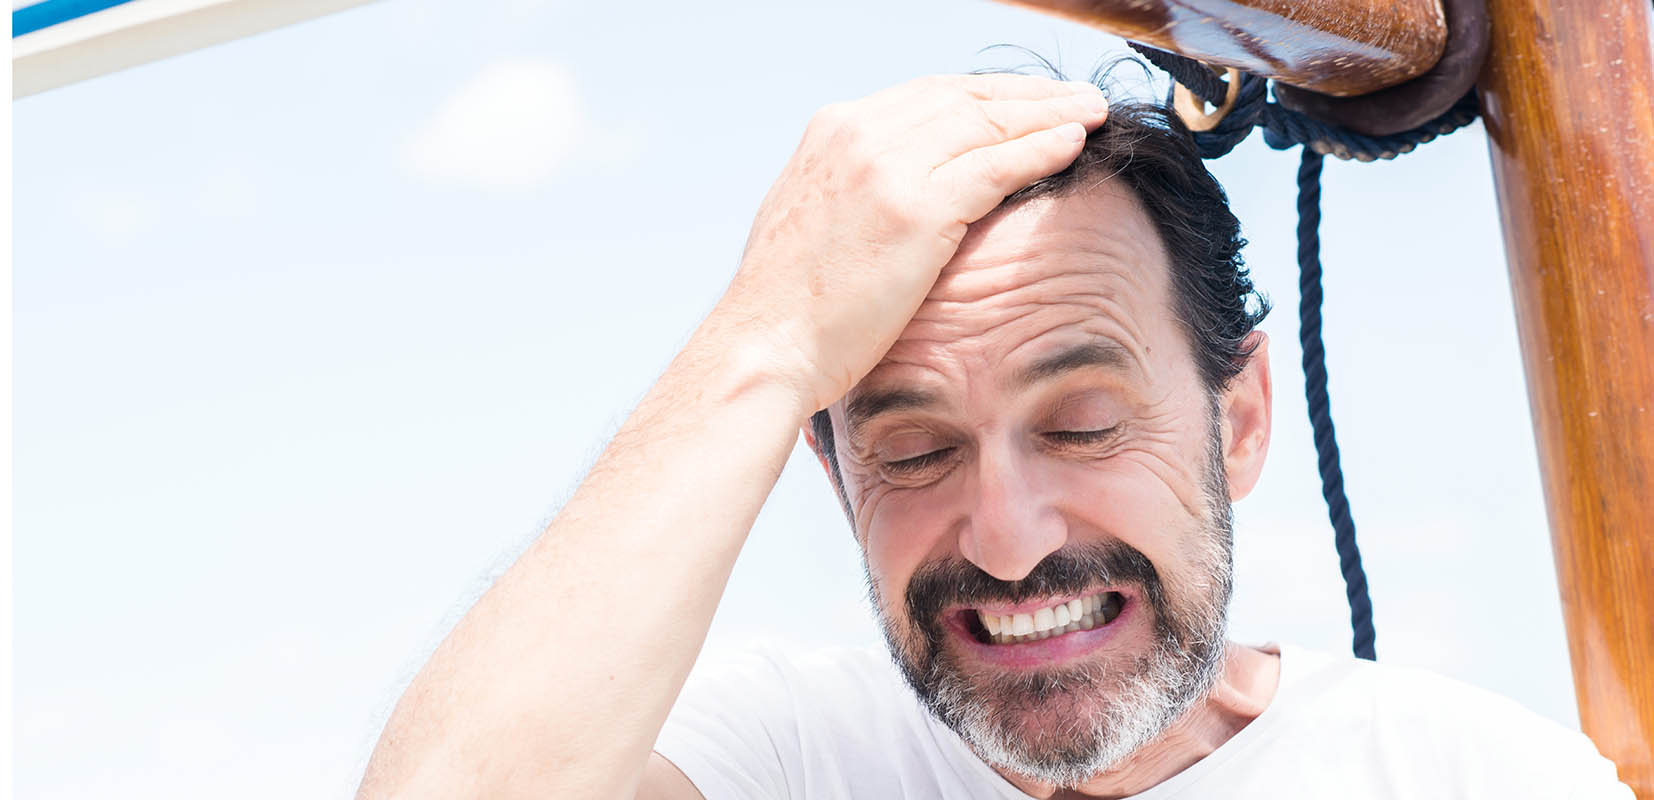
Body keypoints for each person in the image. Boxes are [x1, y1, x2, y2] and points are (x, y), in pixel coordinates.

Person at [354, 73, 1633, 800]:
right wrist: (763, 337)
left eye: (1080, 425)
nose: (1010, 543)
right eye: (912, 451)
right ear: (832, 472)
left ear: (1235, 420)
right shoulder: (790, 758)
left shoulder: (1467, 775)